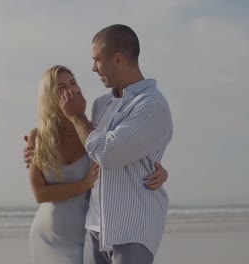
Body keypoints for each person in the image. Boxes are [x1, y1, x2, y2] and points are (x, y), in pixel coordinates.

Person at [27, 65, 168, 264]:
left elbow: (121, 151)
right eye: (61, 87)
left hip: (87, 234)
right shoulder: (40, 139)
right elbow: (40, 194)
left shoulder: (93, 131)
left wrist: (161, 172)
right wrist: (83, 184)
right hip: (48, 237)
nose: (71, 90)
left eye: (73, 82)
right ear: (50, 97)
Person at [58, 24, 173, 264]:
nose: (93, 68)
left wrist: (78, 117)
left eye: (97, 60)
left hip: (132, 228)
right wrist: (36, 147)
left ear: (118, 59)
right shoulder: (102, 104)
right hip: (95, 226)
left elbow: (108, 152)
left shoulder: (151, 104)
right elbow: (86, 145)